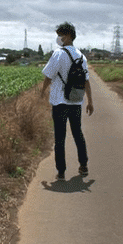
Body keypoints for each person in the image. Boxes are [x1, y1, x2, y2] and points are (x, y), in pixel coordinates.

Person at [40, 22, 94, 180]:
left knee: (60, 138)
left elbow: (48, 76)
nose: (59, 38)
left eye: (60, 35)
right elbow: (86, 81)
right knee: (78, 134)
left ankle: (61, 172)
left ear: (68, 35)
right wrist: (90, 101)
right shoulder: (81, 56)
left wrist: (42, 92)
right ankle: (83, 166)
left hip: (59, 102)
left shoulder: (58, 54)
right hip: (76, 101)